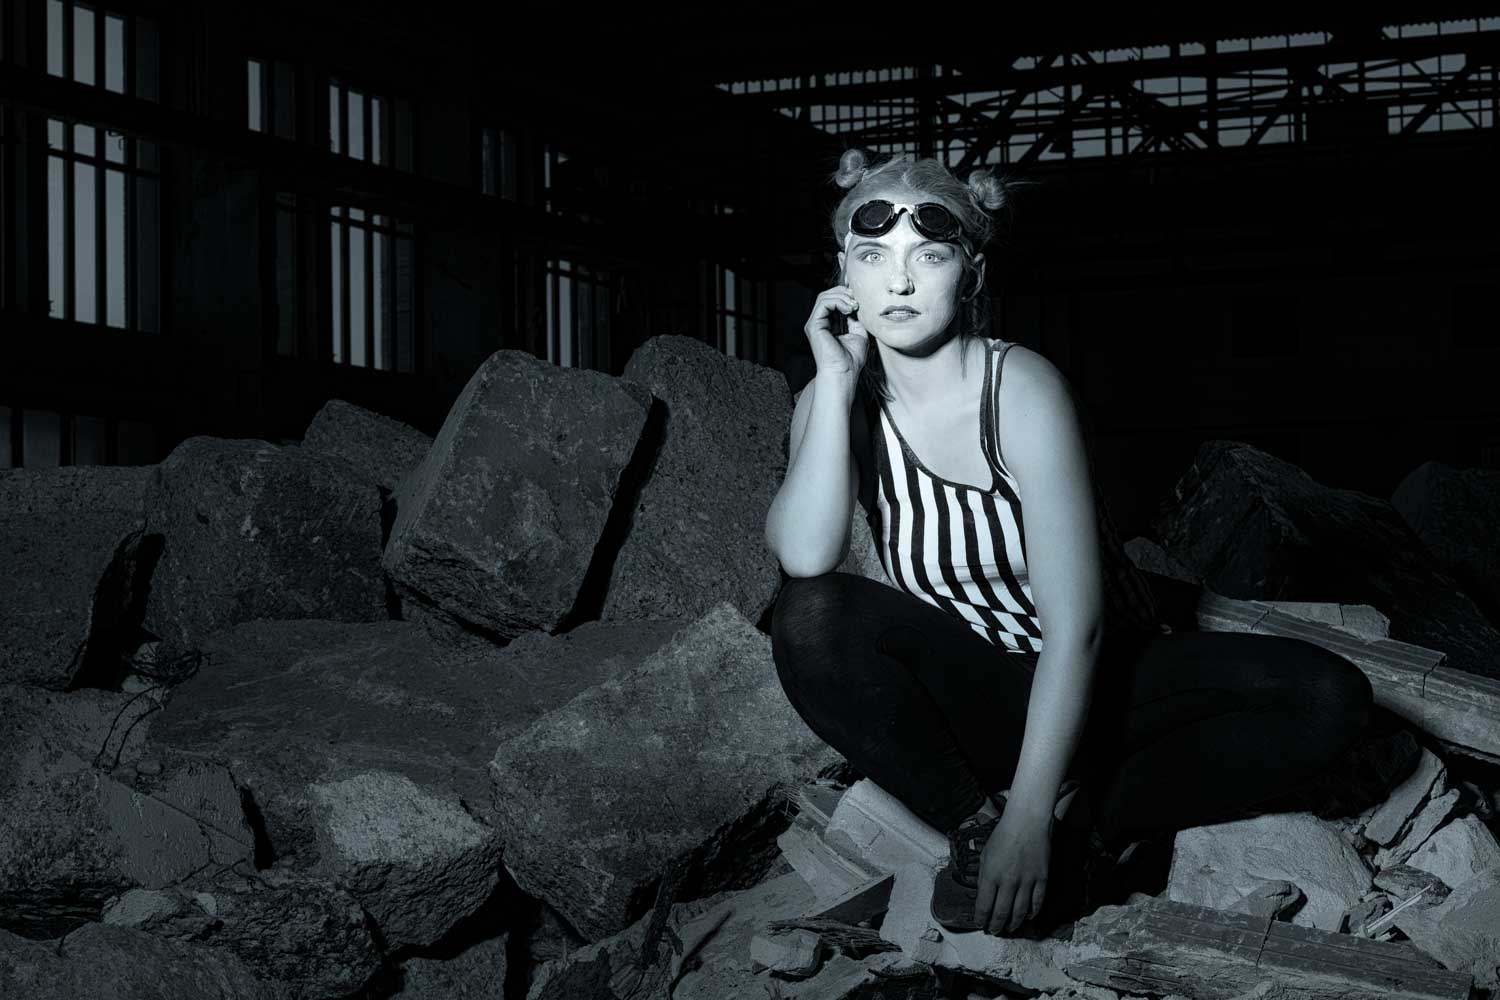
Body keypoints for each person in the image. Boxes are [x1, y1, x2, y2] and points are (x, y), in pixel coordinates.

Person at [763, 148, 1375, 939]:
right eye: (874, 256)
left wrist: (1035, 822)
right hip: (984, 699)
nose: (900, 282)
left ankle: (1086, 830)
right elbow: (805, 558)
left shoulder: (1021, 389)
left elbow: (1077, 628)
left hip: (1101, 687)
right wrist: (837, 382)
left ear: (972, 275)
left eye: (930, 256)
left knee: (1328, 696)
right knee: (810, 614)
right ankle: (974, 829)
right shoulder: (833, 396)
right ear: (843, 273)